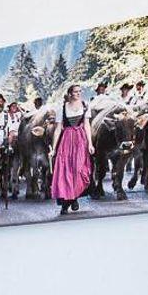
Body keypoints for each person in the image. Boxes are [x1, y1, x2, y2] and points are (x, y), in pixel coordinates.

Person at [51, 82, 92, 215]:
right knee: (66, 170)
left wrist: (90, 143)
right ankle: (66, 203)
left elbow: (87, 125)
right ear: (70, 94)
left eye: (80, 91)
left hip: (80, 139)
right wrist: (54, 148)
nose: (78, 93)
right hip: (67, 140)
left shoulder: (85, 106)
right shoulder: (62, 108)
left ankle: (74, 197)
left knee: (79, 169)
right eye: (75, 91)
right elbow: (58, 128)